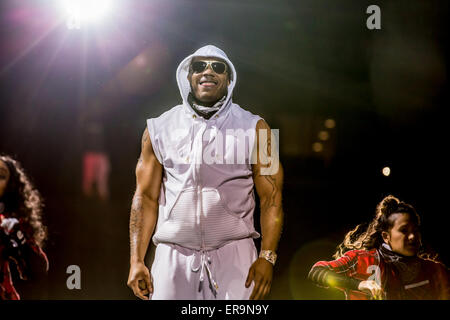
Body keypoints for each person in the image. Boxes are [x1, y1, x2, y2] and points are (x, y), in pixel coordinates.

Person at [127, 45, 284, 300]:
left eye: (217, 67)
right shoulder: (157, 128)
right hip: (173, 258)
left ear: (229, 79)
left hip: (236, 258)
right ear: (188, 75)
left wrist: (267, 256)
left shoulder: (258, 128)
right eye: (199, 66)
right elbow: (144, 197)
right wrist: (136, 260)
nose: (208, 72)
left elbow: (272, 198)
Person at [308, 195, 449, 300]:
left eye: (415, 230)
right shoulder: (362, 260)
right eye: (404, 230)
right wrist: (359, 284)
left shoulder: (434, 271)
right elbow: (316, 272)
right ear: (386, 236)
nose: (412, 236)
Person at [0, 155, 49, 300]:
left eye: (1, 176)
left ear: (9, 187)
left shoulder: (10, 223)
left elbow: (38, 270)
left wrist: (18, 238)